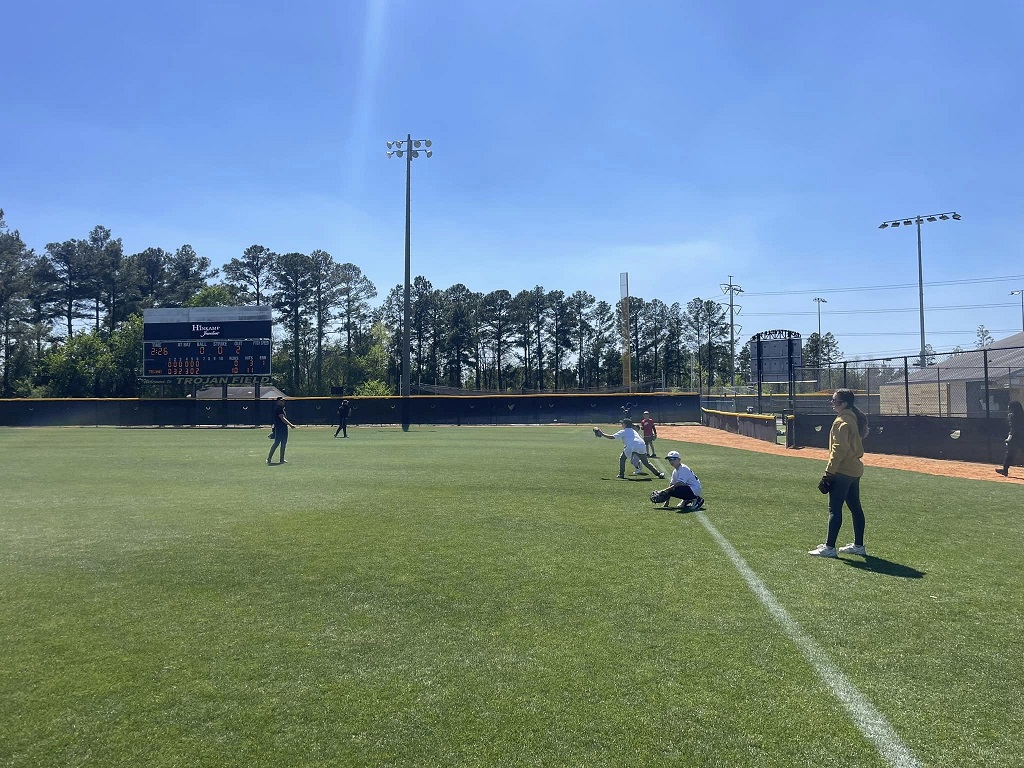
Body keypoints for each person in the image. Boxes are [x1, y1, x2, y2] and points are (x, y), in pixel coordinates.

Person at [808, 388, 870, 558]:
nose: (832, 403)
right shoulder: (854, 418)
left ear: (844, 404)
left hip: (843, 471)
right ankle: (859, 546)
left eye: (834, 400)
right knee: (855, 508)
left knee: (835, 509)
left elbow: (838, 450)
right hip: (854, 470)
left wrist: (829, 472)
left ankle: (829, 548)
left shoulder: (841, 421)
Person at [596, 419, 665, 479]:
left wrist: (602, 434)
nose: (621, 424)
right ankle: (658, 474)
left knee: (622, 458)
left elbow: (612, 437)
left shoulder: (623, 431)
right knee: (646, 462)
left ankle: (621, 474)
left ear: (625, 424)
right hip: (641, 445)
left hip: (631, 446)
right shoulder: (633, 431)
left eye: (622, 423)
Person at [995, 400, 1023, 477]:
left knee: (1010, 454)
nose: (1008, 408)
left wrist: (1009, 438)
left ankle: (1005, 470)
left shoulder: (1012, 416)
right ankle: (1005, 470)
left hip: (1016, 437)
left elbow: (1013, 428)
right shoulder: (1021, 415)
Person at [267, 396, 298, 465]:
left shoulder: (281, 408)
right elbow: (282, 418)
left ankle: (281, 459)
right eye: (281, 400)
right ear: (278, 401)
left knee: (283, 444)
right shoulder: (278, 408)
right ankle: (269, 458)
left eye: (283, 400)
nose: (283, 402)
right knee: (276, 443)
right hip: (279, 429)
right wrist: (290, 425)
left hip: (283, 428)